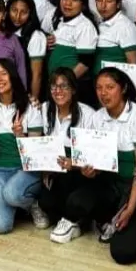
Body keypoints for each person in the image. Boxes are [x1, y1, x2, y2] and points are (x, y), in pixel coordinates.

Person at [57, 68, 136, 266]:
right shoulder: (97, 117)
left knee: (122, 253)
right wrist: (85, 169)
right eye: (99, 88)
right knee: (76, 200)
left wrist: (130, 208)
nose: (104, 93)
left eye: (110, 87)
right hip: (111, 184)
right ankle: (106, 220)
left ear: (124, 89)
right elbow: (92, 158)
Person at [0, 59, 49, 234]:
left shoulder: (30, 105)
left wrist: (20, 136)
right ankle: (16, 204)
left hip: (25, 169)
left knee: (11, 194)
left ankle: (33, 203)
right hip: (0, 169)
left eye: (3, 73)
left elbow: (35, 155)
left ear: (12, 76)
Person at [42, 69, 98, 242]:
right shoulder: (44, 109)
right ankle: (74, 220)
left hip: (80, 172)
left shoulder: (88, 114)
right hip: (54, 169)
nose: (58, 91)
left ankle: (78, 220)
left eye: (64, 86)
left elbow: (94, 154)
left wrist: (73, 164)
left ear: (73, 89)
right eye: (54, 86)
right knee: (46, 203)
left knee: (73, 195)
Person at [47, 0, 98, 104]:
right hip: (58, 87)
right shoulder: (59, 21)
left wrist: (65, 83)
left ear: (83, 4)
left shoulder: (84, 26)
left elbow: (86, 63)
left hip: (74, 89)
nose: (67, 3)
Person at [7, 0, 47, 103]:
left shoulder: (35, 36)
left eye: (23, 12)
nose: (18, 16)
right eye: (14, 10)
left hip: (25, 93)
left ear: (30, 14)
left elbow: (37, 75)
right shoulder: (4, 31)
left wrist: (33, 102)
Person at [94, 0, 136, 74]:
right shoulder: (96, 23)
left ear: (118, 4)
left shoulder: (125, 26)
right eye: (99, 0)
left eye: (109, 1)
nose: (103, 5)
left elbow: (133, 64)